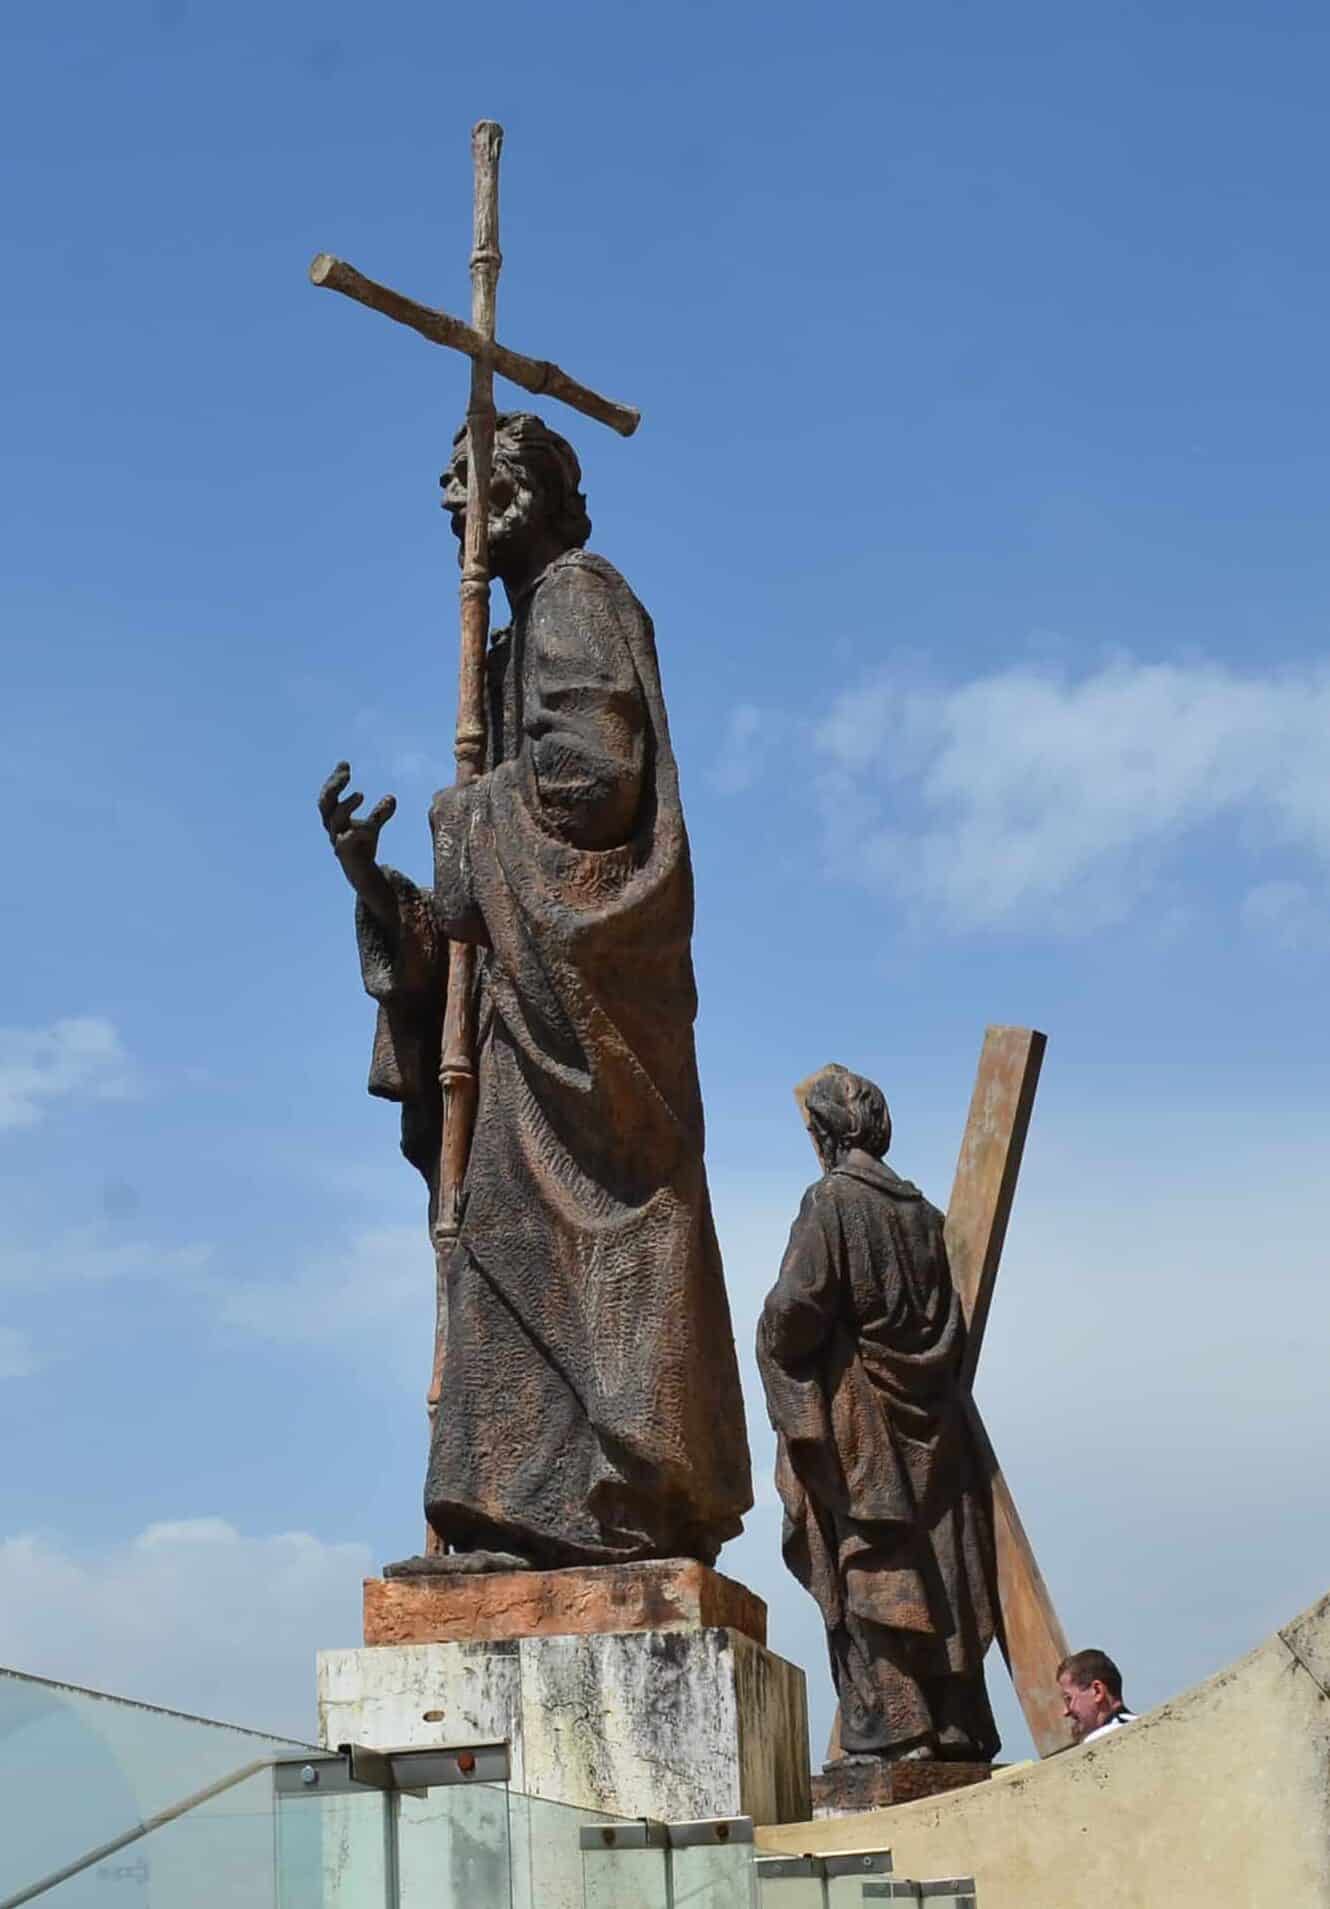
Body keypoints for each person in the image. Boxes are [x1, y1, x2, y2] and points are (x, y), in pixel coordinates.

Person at [318, 411, 752, 1570]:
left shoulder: (576, 595)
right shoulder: (512, 646)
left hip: (586, 1013)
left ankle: (612, 1504)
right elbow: (460, 922)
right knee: (494, 1235)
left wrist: (464, 822)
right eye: (461, 484)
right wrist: (380, 885)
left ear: (555, 500)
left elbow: (594, 787)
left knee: (545, 1229)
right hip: (521, 1005)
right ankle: (518, 1510)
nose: (474, 499)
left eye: (502, 476)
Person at [756, 1063, 999, 1763]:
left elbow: (797, 1306)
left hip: (863, 1419)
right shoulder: (925, 1217)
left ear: (827, 1131)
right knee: (938, 1564)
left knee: (875, 1563)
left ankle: (901, 1725)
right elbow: (945, 1319)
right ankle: (954, 1722)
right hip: (934, 1422)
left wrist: (774, 1337)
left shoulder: (830, 1202)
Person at [1057, 1650, 1138, 1743]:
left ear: (1097, 1691)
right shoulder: (1140, 1724)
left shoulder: (1099, 1740)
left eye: (1068, 1699)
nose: (1066, 1712)